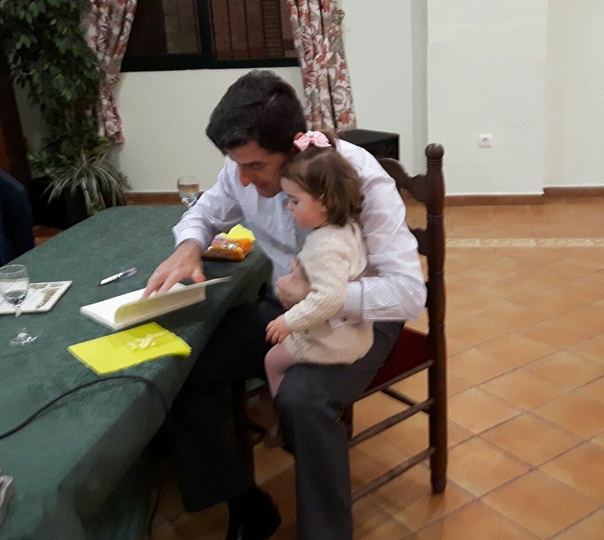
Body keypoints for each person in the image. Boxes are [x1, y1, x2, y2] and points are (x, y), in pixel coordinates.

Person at [144, 70, 425, 540]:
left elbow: (408, 293)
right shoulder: (243, 169)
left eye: (255, 166)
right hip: (287, 312)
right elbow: (206, 211)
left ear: (294, 149)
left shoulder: (360, 180)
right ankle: (247, 505)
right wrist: (189, 244)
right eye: (235, 164)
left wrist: (325, 299)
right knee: (184, 363)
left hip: (360, 321)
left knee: (302, 399)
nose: (243, 178)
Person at [264, 130, 372, 399]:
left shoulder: (324, 245)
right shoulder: (346, 227)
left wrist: (288, 321)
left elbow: (328, 298)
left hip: (334, 340)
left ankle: (281, 411)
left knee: (272, 360)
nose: (288, 207)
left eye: (295, 200)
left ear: (322, 202)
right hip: (355, 331)